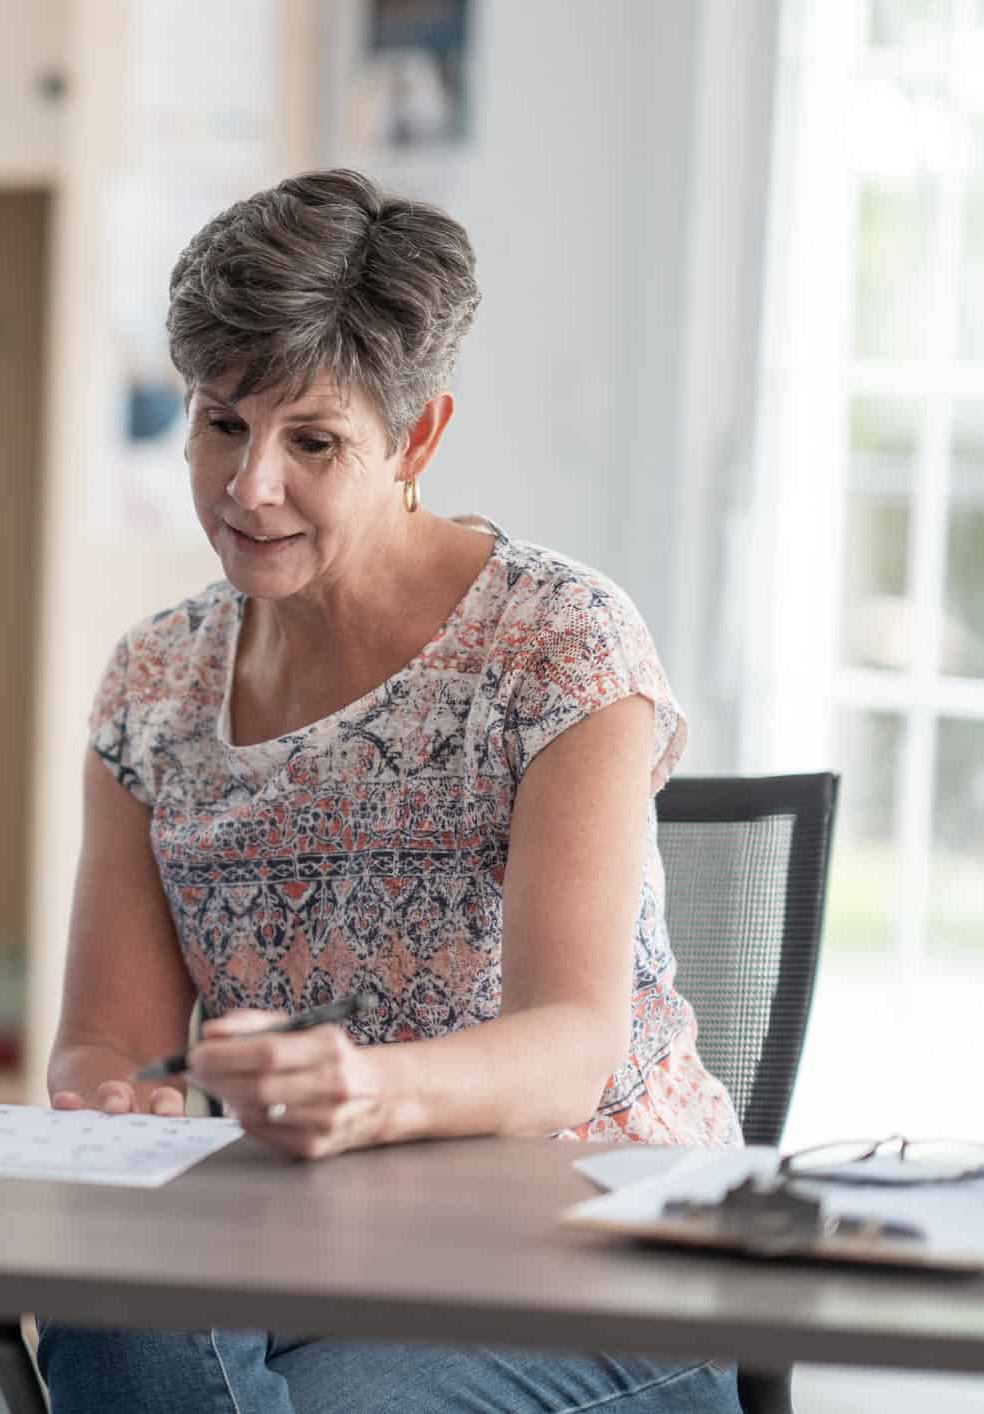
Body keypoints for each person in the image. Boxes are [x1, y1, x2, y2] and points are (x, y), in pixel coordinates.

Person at [39, 170, 744, 1412]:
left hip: (596, 1247)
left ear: (417, 439)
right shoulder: (153, 680)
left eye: (312, 441)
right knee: (110, 1321)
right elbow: (113, 1036)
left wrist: (370, 1090)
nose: (249, 485)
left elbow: (573, 1050)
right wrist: (120, 1092)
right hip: (315, 1237)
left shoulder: (557, 644)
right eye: (220, 424)